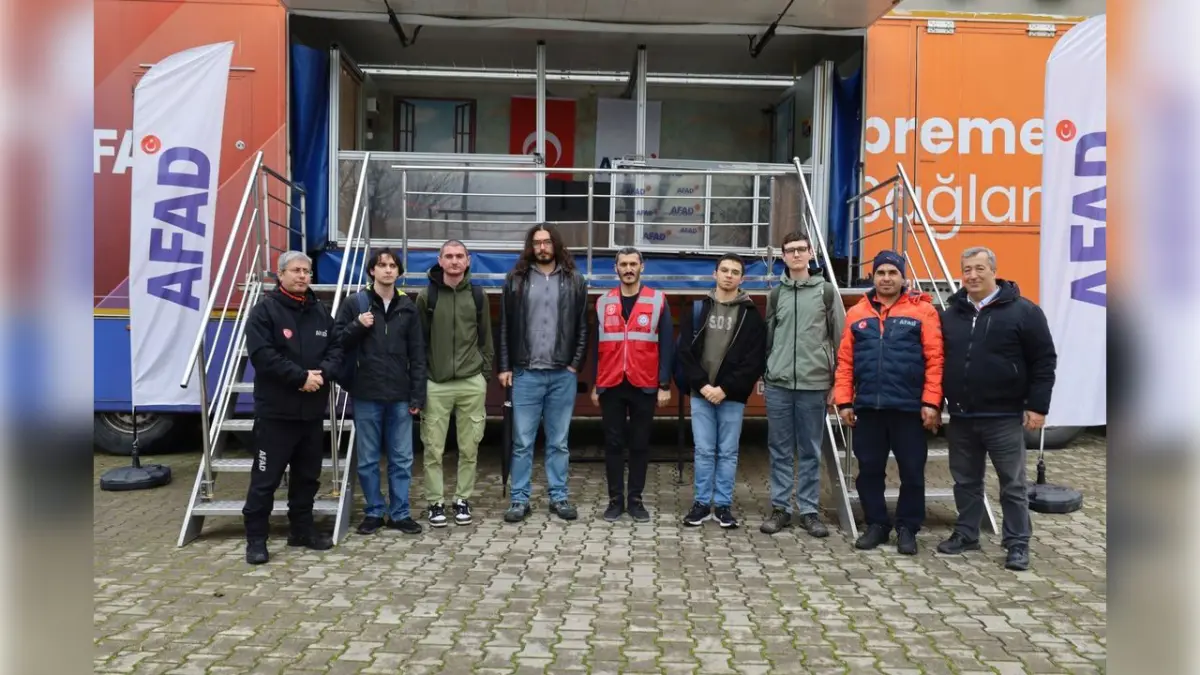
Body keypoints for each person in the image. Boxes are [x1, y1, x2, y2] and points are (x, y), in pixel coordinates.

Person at [937, 247, 1057, 571]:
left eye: (979, 268)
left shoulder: (1024, 312)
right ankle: (967, 534)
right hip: (961, 415)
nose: (972, 275)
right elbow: (938, 362)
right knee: (965, 481)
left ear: (993, 270)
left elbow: (1044, 361)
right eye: (967, 269)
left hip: (1004, 416)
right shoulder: (950, 315)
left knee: (1013, 484)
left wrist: (1037, 406)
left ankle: (1017, 543)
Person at [834, 250, 944, 555]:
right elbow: (845, 362)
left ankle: (907, 528)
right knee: (869, 471)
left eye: (892, 273)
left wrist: (932, 402)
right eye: (881, 273)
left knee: (912, 472)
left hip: (909, 409)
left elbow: (935, 360)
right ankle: (877, 524)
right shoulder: (857, 313)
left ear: (902, 277)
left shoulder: (923, 311)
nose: (886, 278)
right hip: (868, 408)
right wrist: (844, 401)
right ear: (873, 276)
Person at [242, 251, 344, 565]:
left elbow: (337, 347)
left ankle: (301, 531)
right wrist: (300, 378)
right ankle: (256, 540)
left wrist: (323, 374)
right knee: (265, 480)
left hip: (311, 414)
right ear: (281, 274)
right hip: (276, 413)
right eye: (296, 270)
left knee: (307, 477)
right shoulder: (264, 312)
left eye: (307, 271)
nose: (302, 276)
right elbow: (263, 356)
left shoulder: (320, 311)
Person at [498, 224, 590, 523]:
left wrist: (575, 364)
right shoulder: (516, 280)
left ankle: (559, 497)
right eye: (536, 242)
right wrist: (504, 366)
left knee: (559, 442)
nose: (542, 247)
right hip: (526, 373)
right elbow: (505, 326)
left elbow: (583, 325)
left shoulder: (574, 280)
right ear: (531, 246)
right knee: (522, 442)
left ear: (556, 244)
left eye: (547, 242)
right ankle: (519, 500)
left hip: (562, 374)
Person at [333, 248, 427, 537]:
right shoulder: (355, 303)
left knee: (402, 459)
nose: (388, 270)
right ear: (372, 270)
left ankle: (400, 513)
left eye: (392, 265)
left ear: (399, 272)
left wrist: (417, 394)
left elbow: (418, 354)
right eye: (382, 265)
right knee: (368, 460)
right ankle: (374, 512)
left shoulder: (408, 307)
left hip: (400, 394)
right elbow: (336, 341)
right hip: (366, 393)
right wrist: (357, 325)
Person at [760, 232, 843, 537]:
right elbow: (769, 339)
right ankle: (781, 508)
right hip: (778, 384)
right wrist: (768, 371)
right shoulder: (775, 295)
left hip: (814, 384)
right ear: (783, 256)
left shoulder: (826, 292)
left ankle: (808, 510)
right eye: (790, 250)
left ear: (810, 253)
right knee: (780, 450)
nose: (796, 254)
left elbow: (840, 339)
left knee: (810, 450)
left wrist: (838, 383)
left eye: (801, 249)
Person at [676, 253, 766, 529]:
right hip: (701, 393)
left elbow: (754, 361)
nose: (729, 275)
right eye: (724, 270)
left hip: (731, 396)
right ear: (714, 274)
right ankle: (702, 504)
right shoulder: (697, 309)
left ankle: (723, 506)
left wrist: (725, 389)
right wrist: (703, 386)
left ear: (742, 278)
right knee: (704, 451)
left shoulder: (751, 315)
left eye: (735, 272)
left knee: (728, 452)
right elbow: (685, 353)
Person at [589, 247, 673, 523]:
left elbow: (667, 345)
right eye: (623, 264)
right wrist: (596, 383)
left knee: (639, 444)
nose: (628, 269)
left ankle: (636, 501)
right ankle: (615, 501)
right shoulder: (603, 302)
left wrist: (664, 384)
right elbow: (597, 347)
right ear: (616, 268)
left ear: (641, 267)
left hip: (644, 383)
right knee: (613, 444)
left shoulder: (658, 300)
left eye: (633, 264)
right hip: (611, 383)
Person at [415, 240, 493, 527]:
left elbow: (486, 338)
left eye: (460, 256)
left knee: (469, 447)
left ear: (468, 260)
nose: (454, 261)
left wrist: (483, 374)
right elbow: (419, 341)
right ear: (440, 260)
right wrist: (422, 377)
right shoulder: (427, 296)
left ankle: (462, 499)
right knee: (433, 449)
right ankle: (435, 502)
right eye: (449, 256)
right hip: (435, 383)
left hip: (471, 382)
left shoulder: (478, 295)